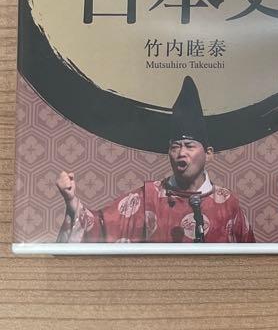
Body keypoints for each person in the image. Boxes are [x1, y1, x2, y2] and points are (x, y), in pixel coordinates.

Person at [55, 76, 254, 244]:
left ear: (208, 153)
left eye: (189, 146)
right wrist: (71, 202)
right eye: (175, 147)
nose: (181, 153)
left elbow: (250, 259)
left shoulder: (227, 203)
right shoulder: (148, 198)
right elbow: (100, 227)